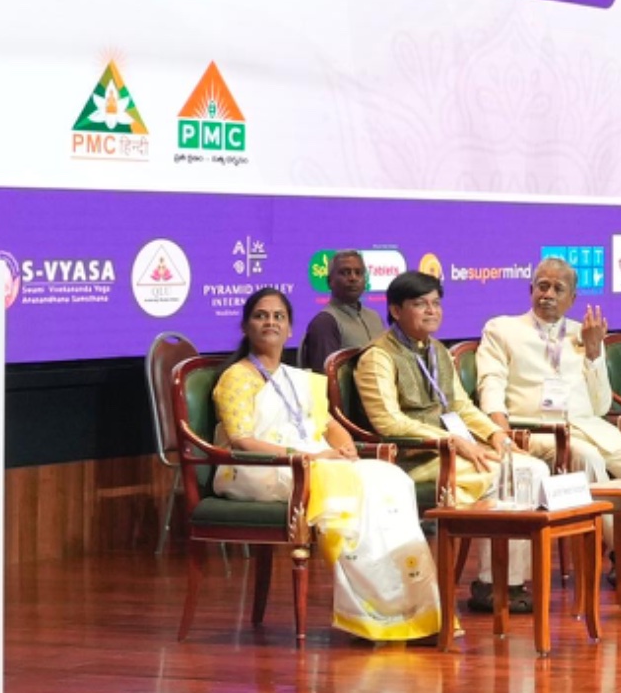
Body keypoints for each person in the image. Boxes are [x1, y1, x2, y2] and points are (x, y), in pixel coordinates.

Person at [209, 287, 442, 642]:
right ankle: (370, 616)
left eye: (278, 316)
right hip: (254, 468)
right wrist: (311, 457)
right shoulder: (236, 378)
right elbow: (241, 440)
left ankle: (409, 606)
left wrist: (346, 449)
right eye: (260, 315)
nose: (270, 321)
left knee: (389, 477)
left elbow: (329, 424)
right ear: (245, 327)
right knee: (347, 488)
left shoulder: (296, 377)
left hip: (310, 463)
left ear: (289, 330)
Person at [354, 270, 518, 520]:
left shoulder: (437, 350)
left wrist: (495, 434)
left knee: (529, 468)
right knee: (501, 475)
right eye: (420, 304)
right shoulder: (378, 356)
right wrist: (452, 441)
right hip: (412, 458)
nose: (431, 310)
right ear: (396, 311)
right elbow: (388, 422)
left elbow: (461, 406)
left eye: (436, 303)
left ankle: (512, 561)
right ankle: (466, 550)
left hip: (449, 450)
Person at [476, 257, 621, 486]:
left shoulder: (585, 333)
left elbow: (601, 407)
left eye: (558, 289)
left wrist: (594, 351)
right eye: (543, 286)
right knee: (588, 458)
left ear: (572, 299)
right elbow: (491, 385)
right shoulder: (502, 329)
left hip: (590, 429)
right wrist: (503, 434)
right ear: (531, 290)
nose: (548, 295)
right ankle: (602, 523)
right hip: (536, 430)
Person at [301, 249, 388, 369]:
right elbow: (326, 379)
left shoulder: (375, 318)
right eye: (345, 273)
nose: (353, 278)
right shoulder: (325, 322)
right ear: (329, 281)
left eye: (358, 272)